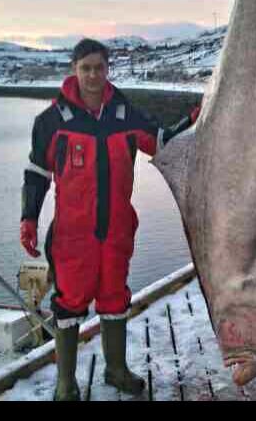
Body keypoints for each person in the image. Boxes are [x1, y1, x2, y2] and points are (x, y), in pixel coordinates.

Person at [20, 38, 200, 401]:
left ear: (107, 70)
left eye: (99, 68)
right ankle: (66, 384)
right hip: (72, 236)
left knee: (115, 299)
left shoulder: (125, 113)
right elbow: (37, 172)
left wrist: (195, 119)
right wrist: (29, 219)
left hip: (117, 230)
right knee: (69, 305)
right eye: (85, 68)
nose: (92, 75)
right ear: (74, 70)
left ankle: (116, 370)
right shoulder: (51, 121)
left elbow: (162, 141)